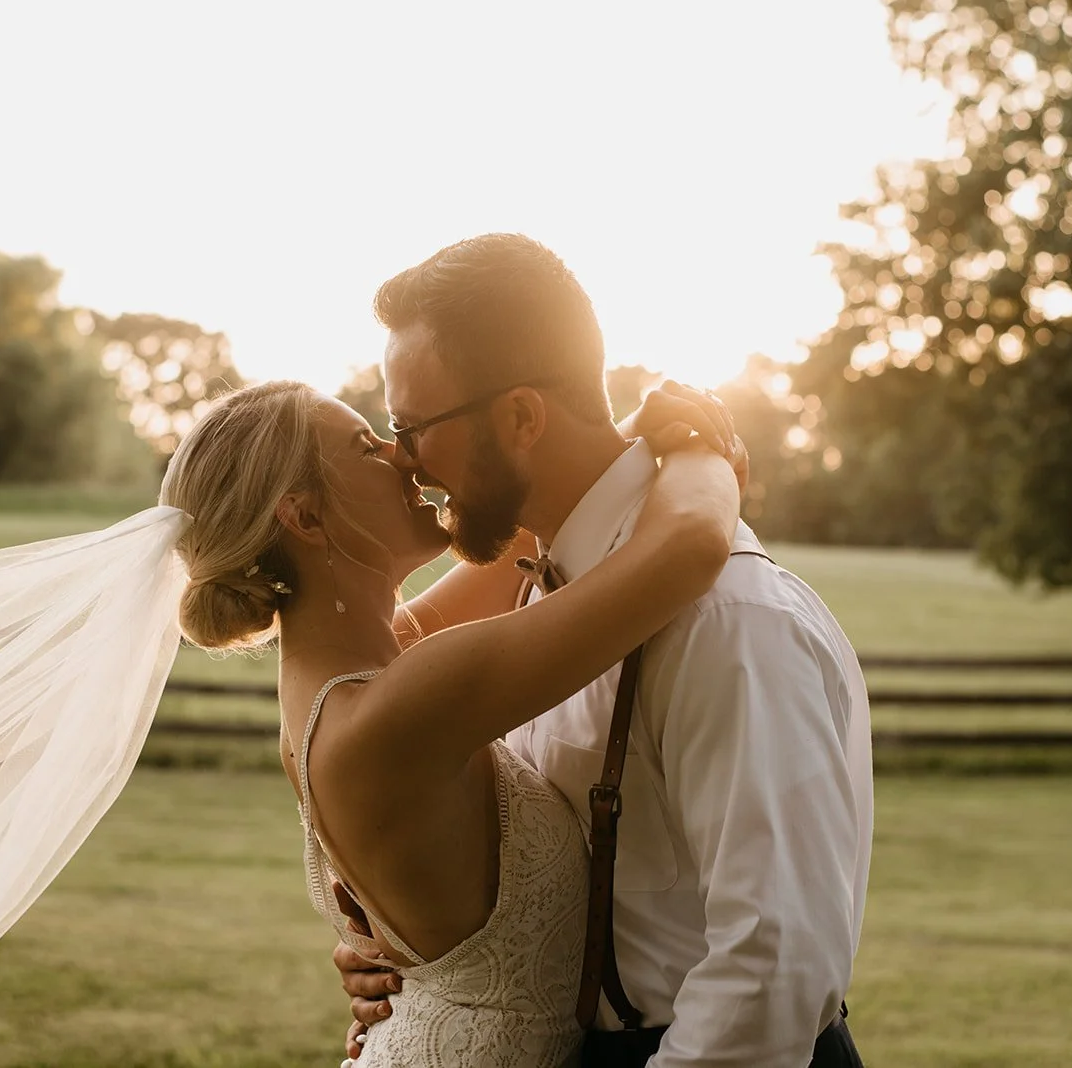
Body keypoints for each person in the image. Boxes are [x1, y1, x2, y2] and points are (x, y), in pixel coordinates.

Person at [335, 233, 874, 1067]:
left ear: (521, 417)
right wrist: (424, 958)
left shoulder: (727, 622)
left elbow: (773, 967)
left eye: (412, 427)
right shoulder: (537, 596)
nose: (406, 460)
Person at [160, 379, 744, 1067]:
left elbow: (534, 527)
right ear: (308, 519)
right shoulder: (404, 702)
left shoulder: (343, 678)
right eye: (366, 446)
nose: (403, 457)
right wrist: (704, 450)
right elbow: (688, 548)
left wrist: (618, 435)